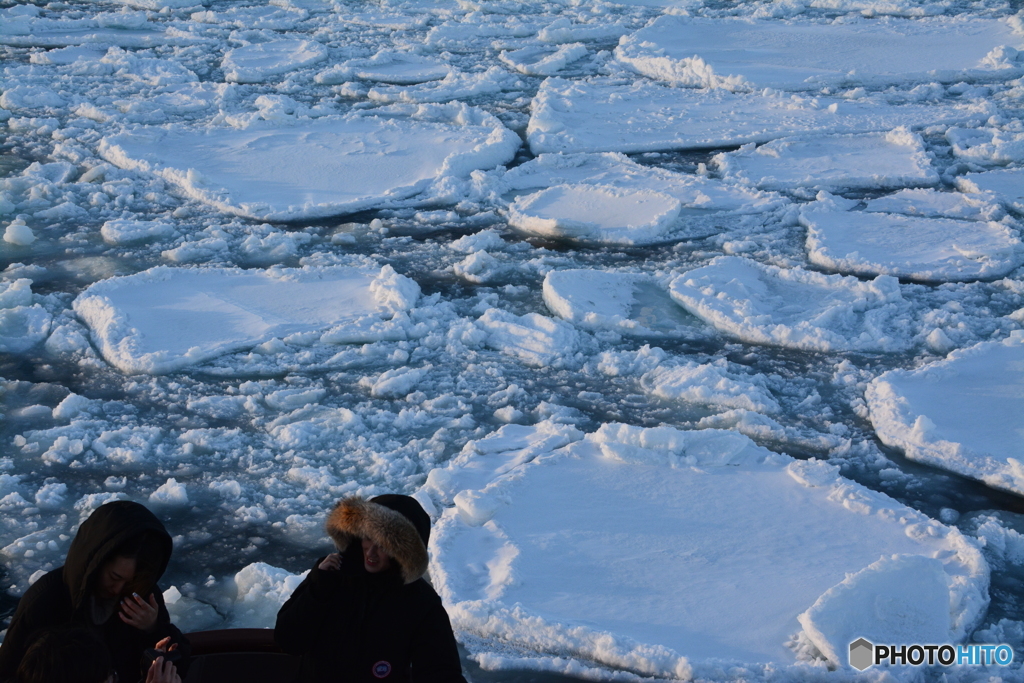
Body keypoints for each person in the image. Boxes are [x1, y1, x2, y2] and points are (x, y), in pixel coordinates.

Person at [275, 495, 467, 683]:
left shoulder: (421, 602)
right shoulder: (332, 575)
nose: (371, 551)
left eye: (384, 545)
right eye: (368, 538)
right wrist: (318, 589)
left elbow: (440, 671)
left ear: (403, 551)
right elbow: (288, 641)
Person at [0, 501, 190, 683]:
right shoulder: (45, 600)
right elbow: (7, 674)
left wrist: (153, 628)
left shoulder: (141, 596)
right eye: (115, 577)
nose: (118, 589)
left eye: (129, 581)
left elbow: (180, 664)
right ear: (96, 562)